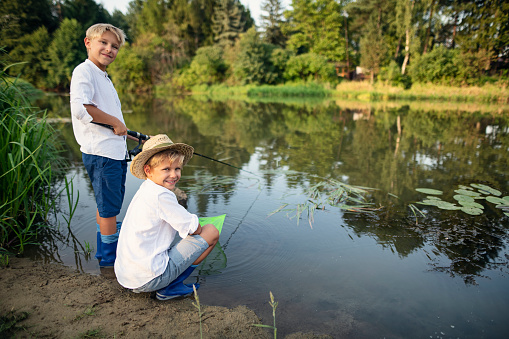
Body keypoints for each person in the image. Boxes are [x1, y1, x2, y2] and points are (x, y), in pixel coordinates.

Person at [114, 134, 220, 300]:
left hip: (126, 277)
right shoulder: (161, 196)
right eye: (166, 169)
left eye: (177, 168)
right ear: (148, 170)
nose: (174, 175)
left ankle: (164, 282)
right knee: (211, 231)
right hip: (148, 279)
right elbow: (194, 228)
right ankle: (170, 287)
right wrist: (196, 223)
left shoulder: (146, 189)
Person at [70, 23, 136, 267]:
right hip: (102, 154)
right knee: (109, 210)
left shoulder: (103, 76)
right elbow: (81, 108)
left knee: (106, 204)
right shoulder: (84, 71)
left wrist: (133, 135)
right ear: (88, 43)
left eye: (115, 46)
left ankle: (104, 253)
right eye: (104, 43)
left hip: (113, 152)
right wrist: (114, 121)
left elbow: (110, 122)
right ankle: (110, 261)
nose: (109, 49)